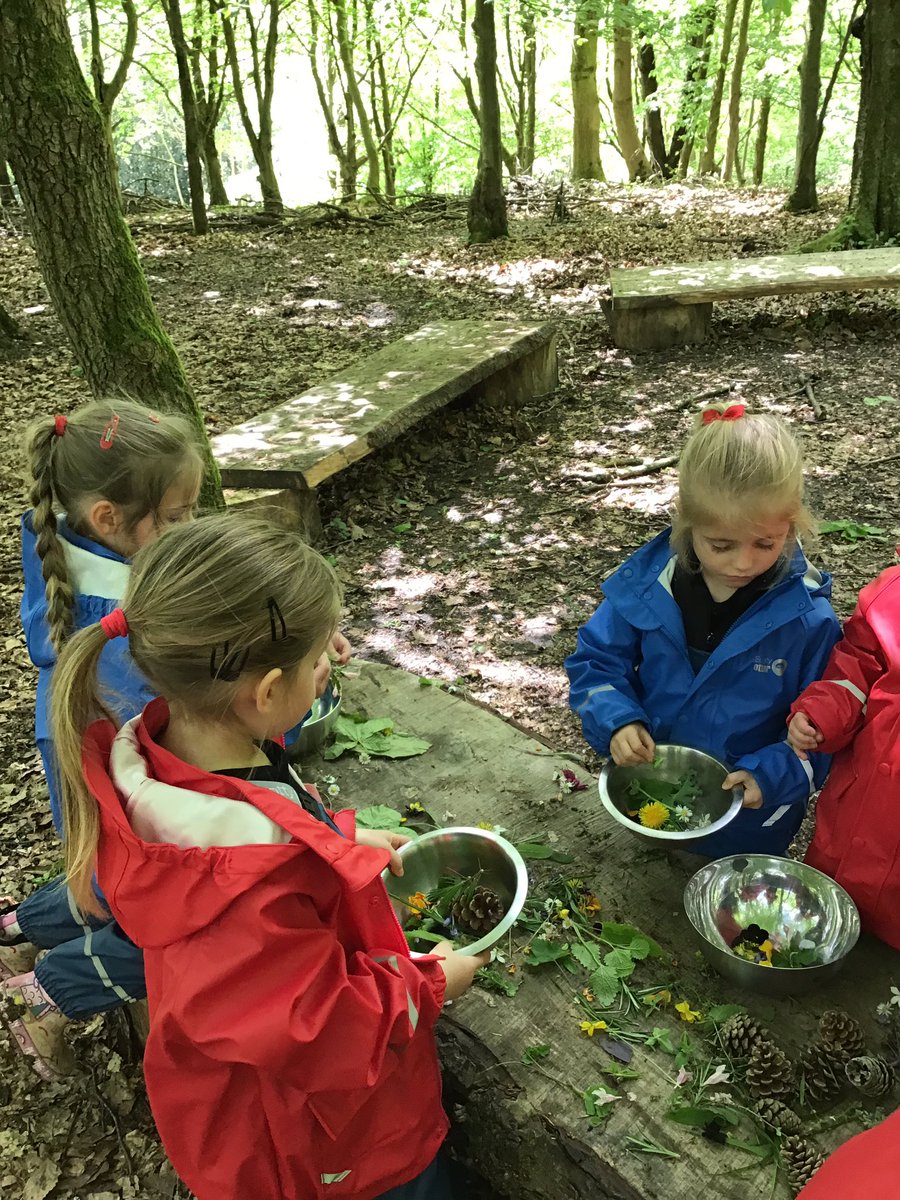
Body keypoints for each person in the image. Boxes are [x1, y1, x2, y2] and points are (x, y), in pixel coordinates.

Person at [50, 514, 485, 1200]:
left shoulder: (176, 752)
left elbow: (263, 820)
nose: (333, 663)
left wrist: (337, 840)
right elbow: (320, 1030)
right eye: (320, 662)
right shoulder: (242, 893)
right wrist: (430, 986)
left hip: (288, 1106)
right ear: (267, 692)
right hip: (314, 1144)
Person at [1, 399, 203, 1077]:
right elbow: (200, 723)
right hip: (108, 774)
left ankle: (18, 929)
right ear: (110, 519)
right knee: (176, 920)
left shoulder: (62, 537)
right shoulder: (116, 640)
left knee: (99, 884)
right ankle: (49, 991)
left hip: (88, 755)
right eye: (177, 517)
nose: (191, 526)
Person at [566, 404, 841, 858]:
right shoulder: (648, 589)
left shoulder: (808, 622)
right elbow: (595, 662)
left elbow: (828, 730)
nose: (743, 563)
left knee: (733, 916)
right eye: (721, 545)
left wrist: (769, 775)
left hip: (749, 824)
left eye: (766, 544)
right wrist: (617, 720)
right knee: (646, 892)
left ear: (790, 527)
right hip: (650, 794)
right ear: (687, 522)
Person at [787, 564, 900, 948]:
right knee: (826, 920)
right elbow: (855, 670)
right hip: (855, 816)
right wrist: (822, 714)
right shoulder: (891, 595)